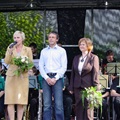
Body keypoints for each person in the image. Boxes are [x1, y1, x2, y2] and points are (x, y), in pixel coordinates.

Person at [68, 37, 99, 120]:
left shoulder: (93, 57)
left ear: (88, 46)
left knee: (88, 108)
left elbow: (95, 72)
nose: (81, 46)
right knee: (79, 108)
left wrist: (96, 87)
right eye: (80, 44)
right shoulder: (76, 58)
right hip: (77, 86)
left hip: (89, 87)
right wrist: (71, 87)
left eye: (83, 44)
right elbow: (73, 73)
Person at [4, 30, 33, 120]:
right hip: (11, 76)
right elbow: (6, 61)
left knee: (21, 101)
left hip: (22, 77)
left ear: (22, 39)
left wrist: (25, 66)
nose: (16, 39)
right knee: (10, 100)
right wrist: (9, 51)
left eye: (18, 37)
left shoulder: (27, 49)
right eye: (15, 37)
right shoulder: (10, 48)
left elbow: (31, 63)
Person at [39, 31, 67, 120]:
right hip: (46, 78)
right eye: (49, 37)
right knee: (47, 104)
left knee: (58, 104)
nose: (50, 39)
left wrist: (55, 78)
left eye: (53, 37)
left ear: (57, 39)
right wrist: (47, 78)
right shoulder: (43, 51)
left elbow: (64, 67)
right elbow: (40, 66)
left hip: (57, 78)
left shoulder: (61, 51)